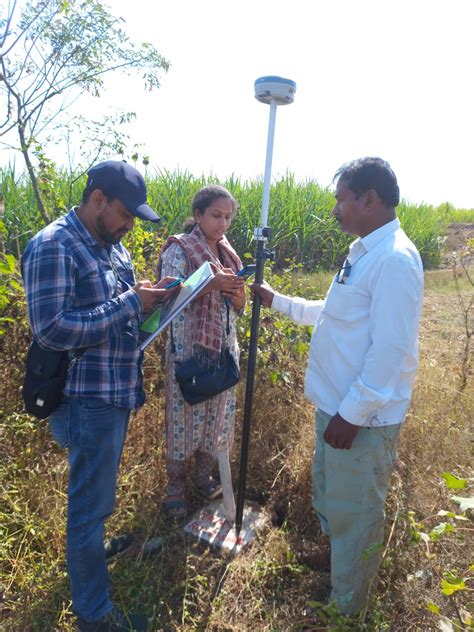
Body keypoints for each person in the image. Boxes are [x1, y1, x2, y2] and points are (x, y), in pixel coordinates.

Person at [252, 157, 423, 616]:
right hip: (337, 408)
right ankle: (336, 561)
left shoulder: (394, 259)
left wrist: (352, 415)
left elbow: (390, 351)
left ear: (370, 199)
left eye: (341, 199)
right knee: (332, 500)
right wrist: (276, 301)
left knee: (357, 516)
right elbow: (332, 314)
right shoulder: (364, 252)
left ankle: (345, 613)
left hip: (360, 419)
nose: (335, 208)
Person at [21, 160, 180, 632]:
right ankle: (94, 617)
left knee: (97, 500)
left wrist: (154, 297)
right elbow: (51, 330)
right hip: (86, 400)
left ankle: (90, 555)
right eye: (125, 214)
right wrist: (133, 302)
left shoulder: (111, 246)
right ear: (97, 201)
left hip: (114, 392)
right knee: (87, 511)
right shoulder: (55, 245)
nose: (130, 224)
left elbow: (121, 305)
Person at [157, 184, 245, 519]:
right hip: (189, 352)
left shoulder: (227, 253)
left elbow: (238, 306)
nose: (222, 223)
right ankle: (175, 487)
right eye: (215, 215)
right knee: (184, 421)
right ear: (198, 215)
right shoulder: (180, 250)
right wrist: (210, 284)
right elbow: (168, 297)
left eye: (227, 217)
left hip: (222, 352)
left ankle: (203, 476)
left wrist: (236, 294)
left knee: (215, 419)